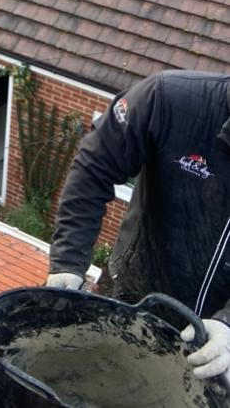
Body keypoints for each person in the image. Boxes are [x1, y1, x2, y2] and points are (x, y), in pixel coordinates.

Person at [46, 69, 230, 383]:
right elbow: (94, 167)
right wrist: (68, 262)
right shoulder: (169, 100)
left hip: (216, 344)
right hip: (130, 298)